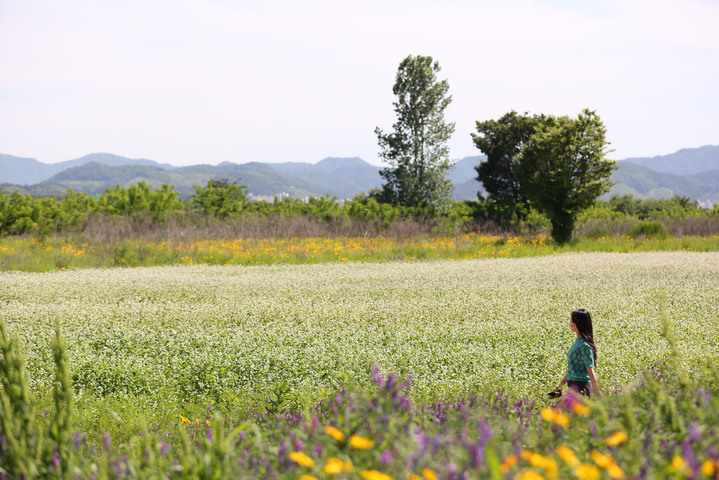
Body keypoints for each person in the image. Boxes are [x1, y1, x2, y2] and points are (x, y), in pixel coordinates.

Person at [550, 309, 602, 398]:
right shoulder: (578, 342)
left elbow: (590, 370)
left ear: (574, 324)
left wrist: (597, 392)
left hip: (582, 386)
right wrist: (560, 387)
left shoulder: (584, 346)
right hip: (573, 385)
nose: (570, 323)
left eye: (571, 320)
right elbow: (571, 369)